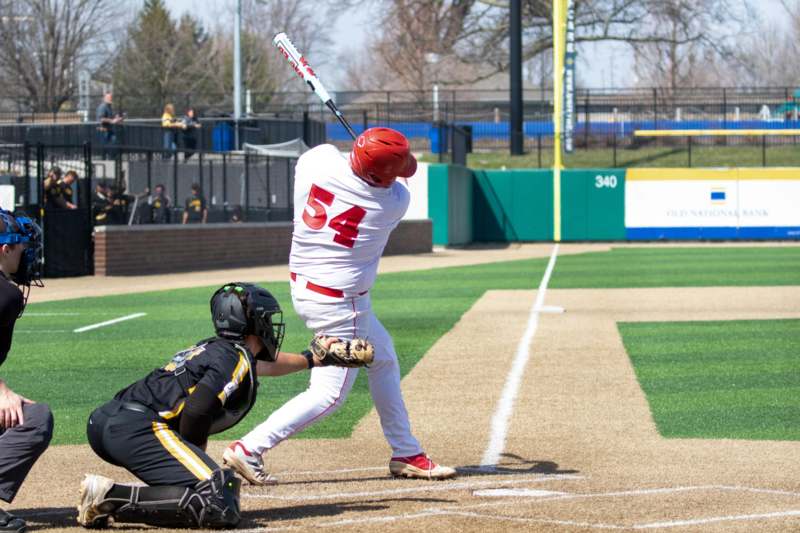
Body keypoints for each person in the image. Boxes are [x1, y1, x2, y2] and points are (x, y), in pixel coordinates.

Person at [223, 127, 456, 484]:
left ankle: (406, 452)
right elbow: (397, 181)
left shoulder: (315, 163)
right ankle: (249, 448)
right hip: (343, 307)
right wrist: (375, 161)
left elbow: (333, 154)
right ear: (380, 176)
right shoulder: (392, 202)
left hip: (307, 288)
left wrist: (367, 151)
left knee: (384, 357)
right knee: (329, 394)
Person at [77, 283, 367, 529]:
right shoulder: (233, 358)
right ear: (252, 323)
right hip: (138, 428)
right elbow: (197, 409)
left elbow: (262, 366)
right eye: (265, 318)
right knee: (218, 497)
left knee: (199, 487)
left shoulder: (218, 350)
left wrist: (314, 359)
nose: (269, 325)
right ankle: (109, 498)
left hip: (108, 421)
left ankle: (113, 497)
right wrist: (195, 454)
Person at [0, 210, 52, 533]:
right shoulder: (6, 294)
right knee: (35, 419)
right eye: (21, 248)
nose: (26, 256)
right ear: (5, 249)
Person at [96, 92, 123, 157]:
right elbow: (101, 118)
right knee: (106, 147)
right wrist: (112, 121)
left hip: (109, 130)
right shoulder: (103, 107)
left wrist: (117, 118)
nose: (110, 99)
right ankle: (106, 158)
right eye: (108, 97)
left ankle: (111, 158)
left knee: (113, 143)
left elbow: (110, 117)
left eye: (111, 97)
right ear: (104, 98)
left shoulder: (109, 107)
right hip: (103, 130)